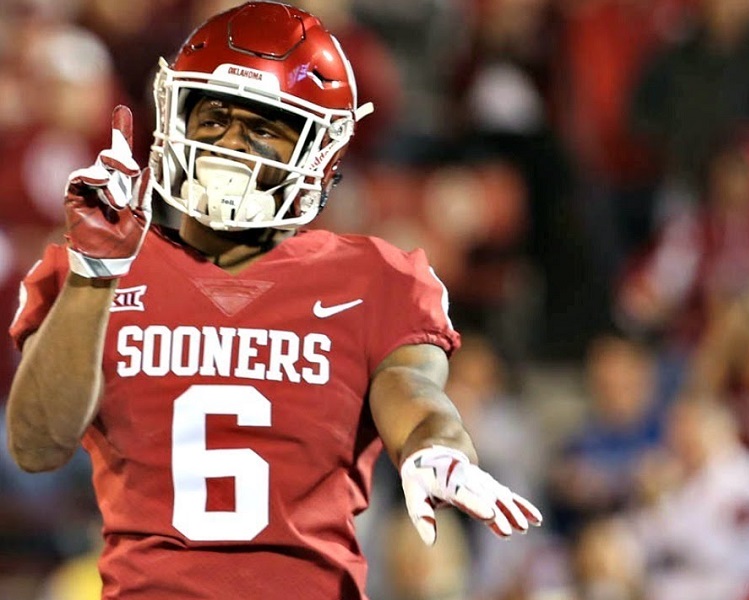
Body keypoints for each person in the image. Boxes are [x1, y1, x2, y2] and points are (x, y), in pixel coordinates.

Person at [4, 2, 542, 599]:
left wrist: (434, 450)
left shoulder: (373, 280)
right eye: (213, 116)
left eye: (263, 128)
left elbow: (415, 397)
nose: (229, 144)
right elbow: (36, 445)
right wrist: (93, 277)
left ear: (318, 153)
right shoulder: (97, 266)